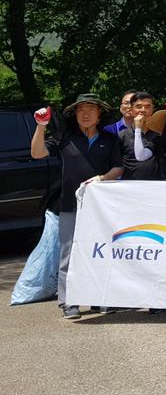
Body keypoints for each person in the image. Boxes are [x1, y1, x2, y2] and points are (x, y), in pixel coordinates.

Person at [30, 94, 123, 319]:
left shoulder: (110, 139)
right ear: (75, 113)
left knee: (100, 251)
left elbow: (118, 168)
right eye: (81, 109)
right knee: (69, 253)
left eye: (91, 109)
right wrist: (41, 127)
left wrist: (102, 178)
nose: (86, 113)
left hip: (101, 208)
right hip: (70, 205)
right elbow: (37, 153)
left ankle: (100, 298)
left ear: (100, 114)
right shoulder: (65, 137)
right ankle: (68, 301)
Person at [119, 91, 160, 180]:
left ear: (153, 109)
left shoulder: (159, 135)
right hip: (129, 188)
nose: (143, 110)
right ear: (131, 109)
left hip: (156, 187)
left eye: (148, 106)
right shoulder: (122, 135)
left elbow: (141, 156)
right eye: (138, 106)